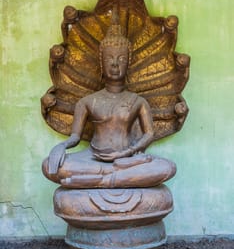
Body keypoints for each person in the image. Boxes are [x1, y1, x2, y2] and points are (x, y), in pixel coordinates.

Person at [42, 21, 176, 188]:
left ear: (128, 62)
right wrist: (61, 146)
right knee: (49, 165)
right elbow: (75, 137)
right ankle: (115, 178)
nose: (115, 64)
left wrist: (128, 152)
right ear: (101, 61)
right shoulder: (87, 102)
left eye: (121, 59)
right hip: (93, 158)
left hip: (127, 159)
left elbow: (149, 134)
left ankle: (100, 180)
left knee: (167, 167)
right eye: (109, 58)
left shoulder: (138, 101)